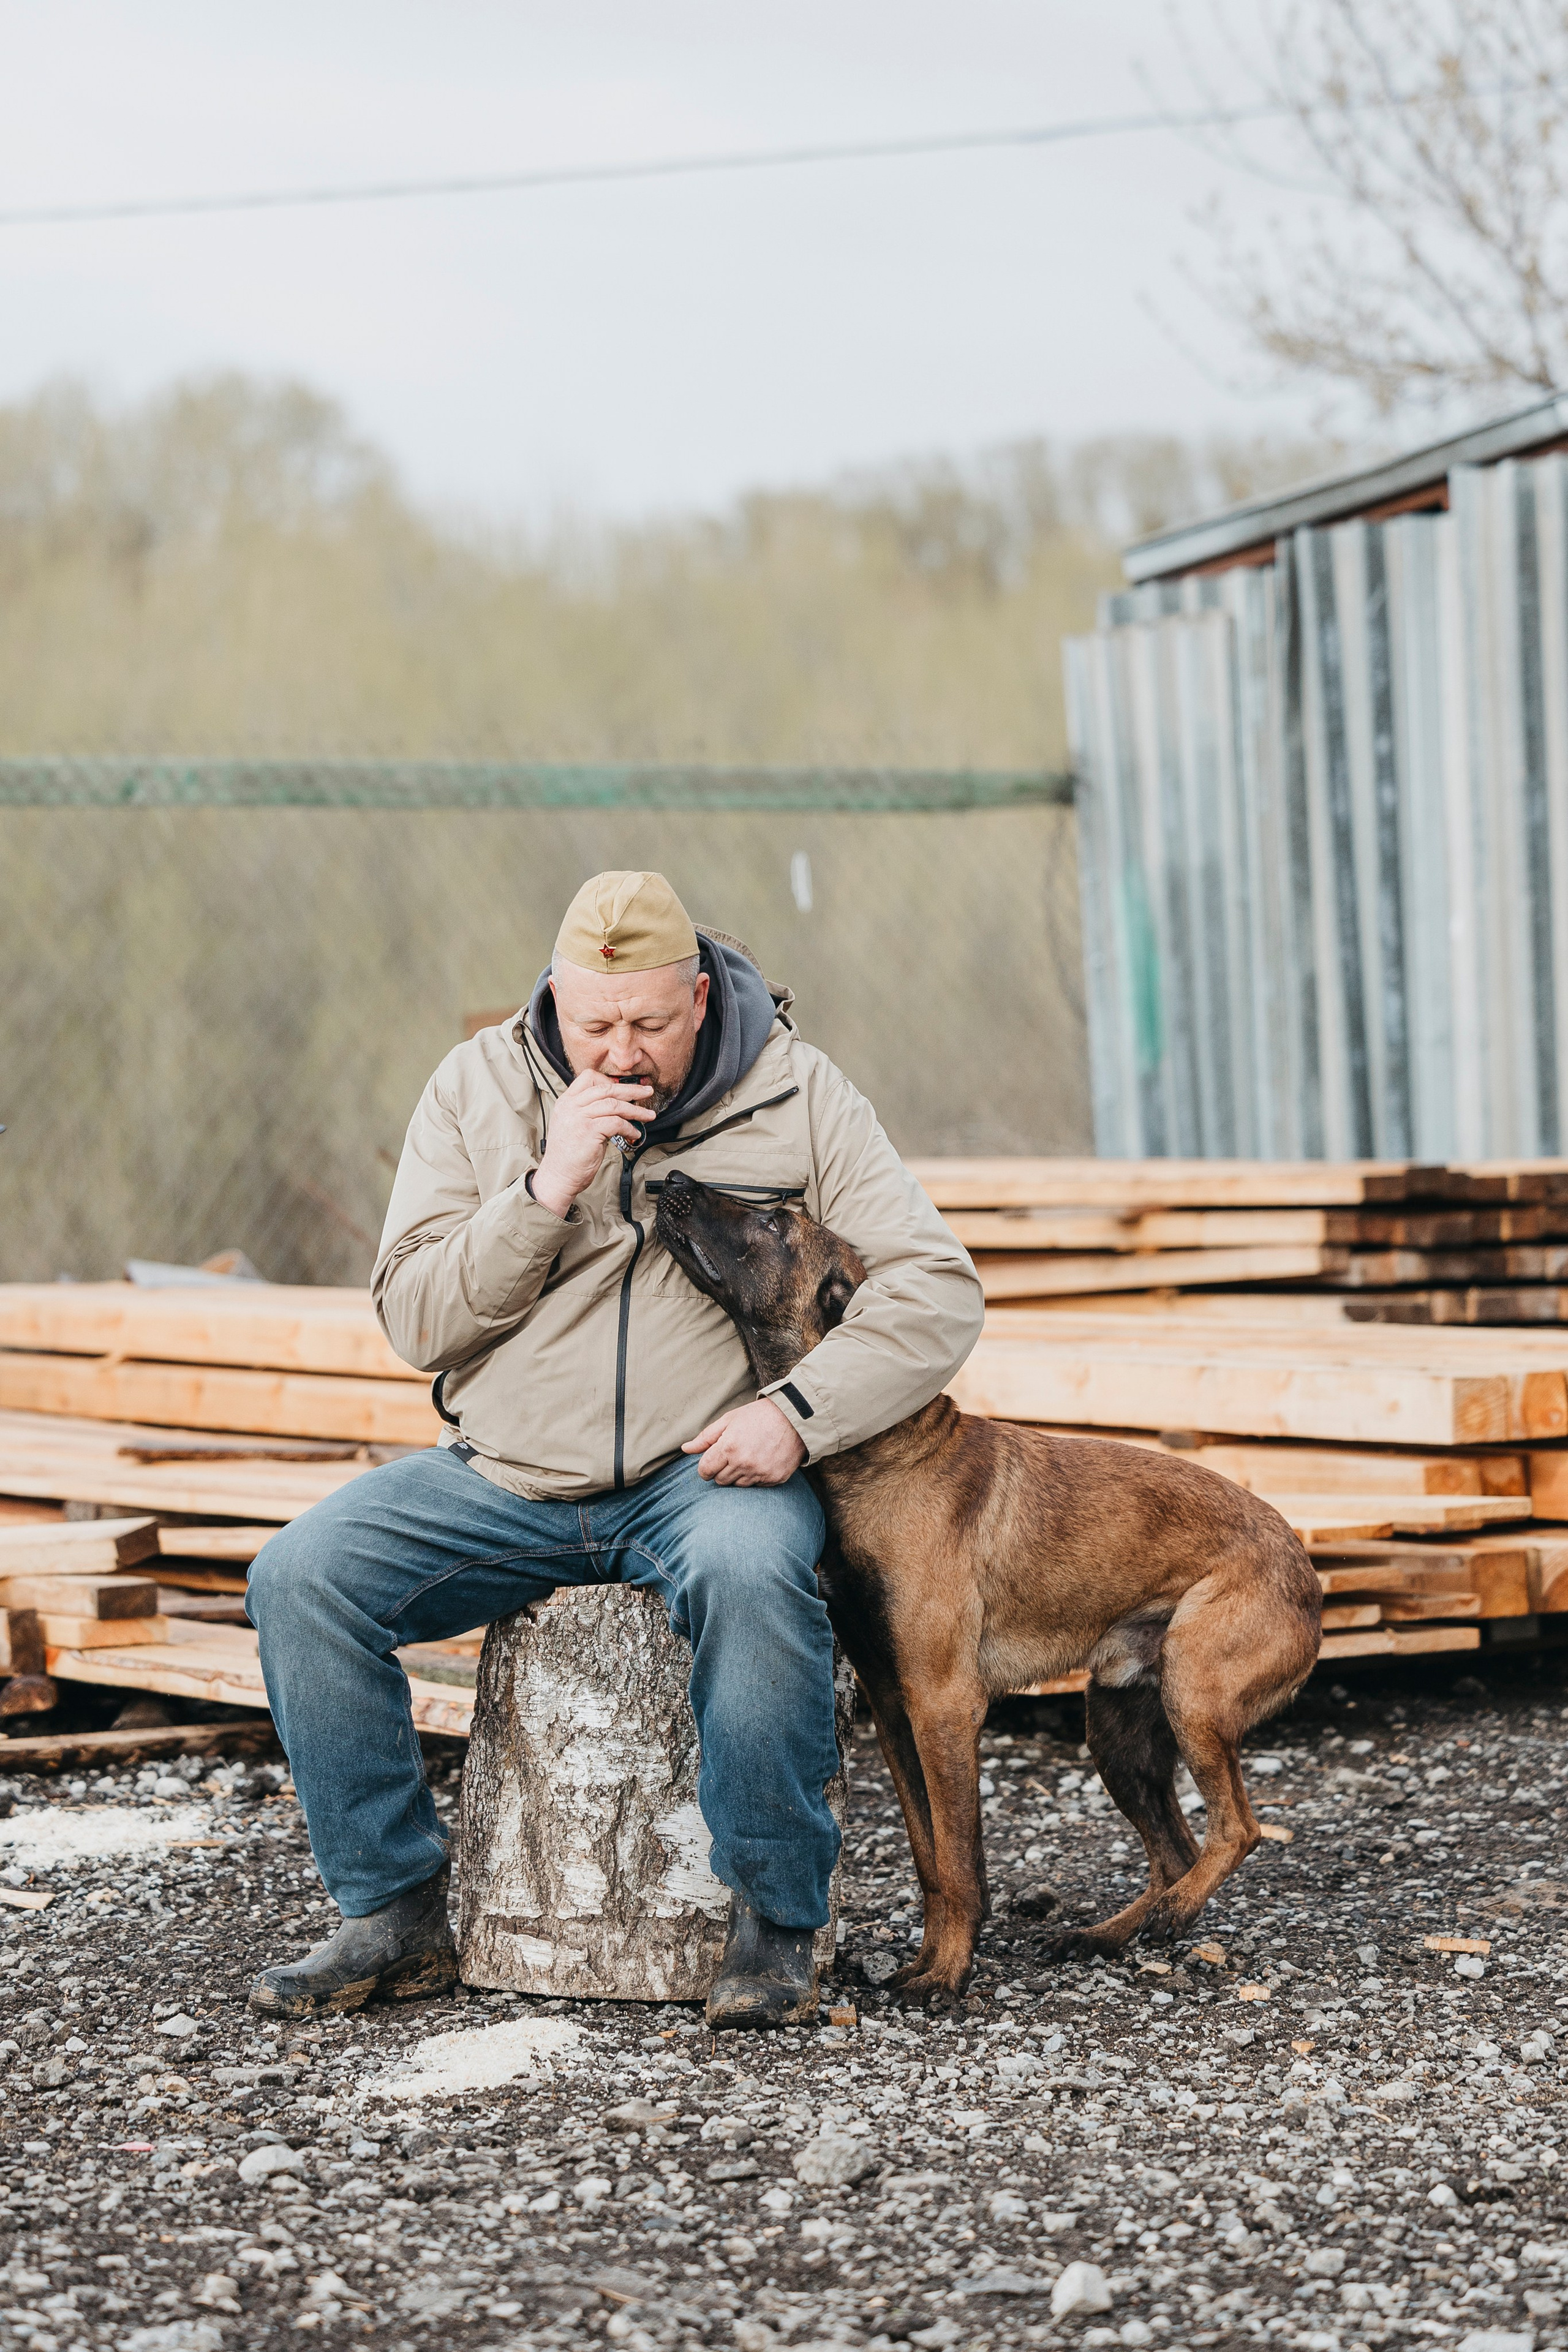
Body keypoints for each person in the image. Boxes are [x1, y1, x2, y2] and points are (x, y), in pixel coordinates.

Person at [245, 870, 983, 2027]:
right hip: (503, 1477)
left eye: (647, 1025)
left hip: (703, 1476)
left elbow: (935, 1293)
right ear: (554, 999)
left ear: (699, 997)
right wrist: (543, 1191)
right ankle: (393, 1909)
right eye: (594, 1027)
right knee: (300, 1577)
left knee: (754, 1576)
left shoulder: (795, 1091)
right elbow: (414, 1317)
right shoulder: (477, 1086)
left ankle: (777, 1925)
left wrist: (796, 1416)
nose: (621, 1053)